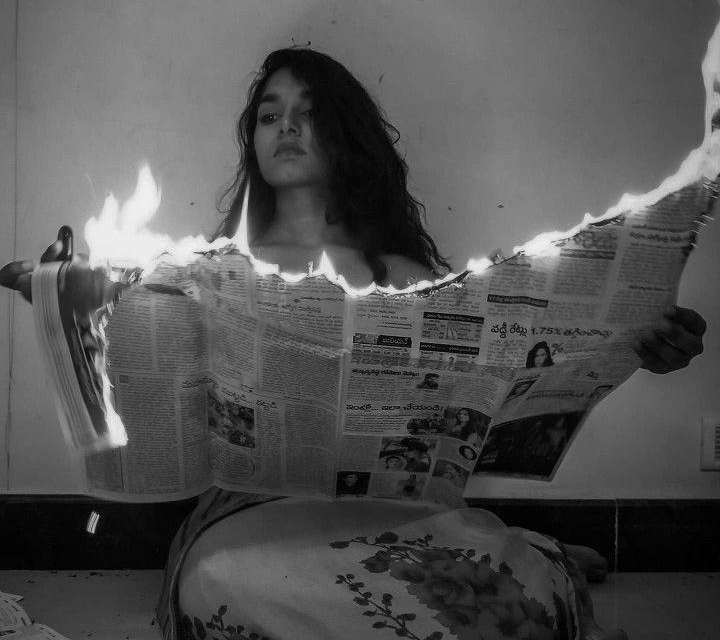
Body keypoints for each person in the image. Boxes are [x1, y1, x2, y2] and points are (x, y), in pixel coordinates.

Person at [0, 47, 708, 640]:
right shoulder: (207, 270)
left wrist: (637, 344)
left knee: (511, 596)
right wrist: (57, 294)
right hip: (256, 520)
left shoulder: (402, 275)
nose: (287, 127)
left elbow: (500, 387)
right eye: (271, 114)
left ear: (344, 134)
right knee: (228, 590)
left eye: (308, 114)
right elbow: (124, 343)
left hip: (403, 515)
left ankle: (531, 552)